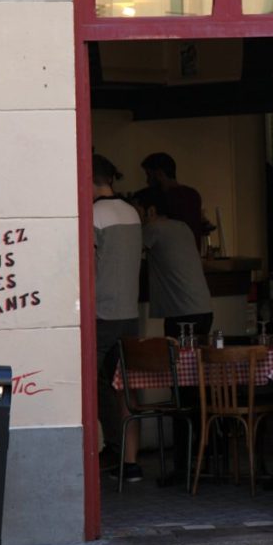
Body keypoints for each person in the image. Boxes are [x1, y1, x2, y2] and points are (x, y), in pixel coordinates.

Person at [93, 153, 144, 482]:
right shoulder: (132, 213)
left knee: (94, 385)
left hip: (103, 312)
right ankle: (131, 463)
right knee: (125, 387)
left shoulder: (94, 214)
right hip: (130, 313)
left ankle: (110, 449)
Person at [132, 187, 213, 339]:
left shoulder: (154, 228)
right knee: (194, 359)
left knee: (176, 359)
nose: (134, 217)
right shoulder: (182, 227)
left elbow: (129, 254)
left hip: (182, 313)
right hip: (204, 309)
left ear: (150, 211)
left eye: (136, 211)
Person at [141, 152, 204, 251]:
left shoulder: (165, 198)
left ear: (160, 174)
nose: (147, 181)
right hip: (192, 258)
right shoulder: (193, 194)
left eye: (149, 175)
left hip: (171, 260)